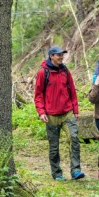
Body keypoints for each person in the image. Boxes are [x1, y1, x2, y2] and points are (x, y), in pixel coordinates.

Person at [34, 45, 85, 181]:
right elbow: (38, 95)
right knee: (54, 146)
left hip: (67, 112)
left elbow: (72, 91)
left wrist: (75, 109)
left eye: (62, 54)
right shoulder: (42, 73)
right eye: (58, 55)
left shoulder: (65, 71)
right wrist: (41, 112)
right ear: (51, 56)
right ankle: (57, 173)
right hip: (51, 115)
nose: (61, 57)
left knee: (74, 138)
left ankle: (76, 170)